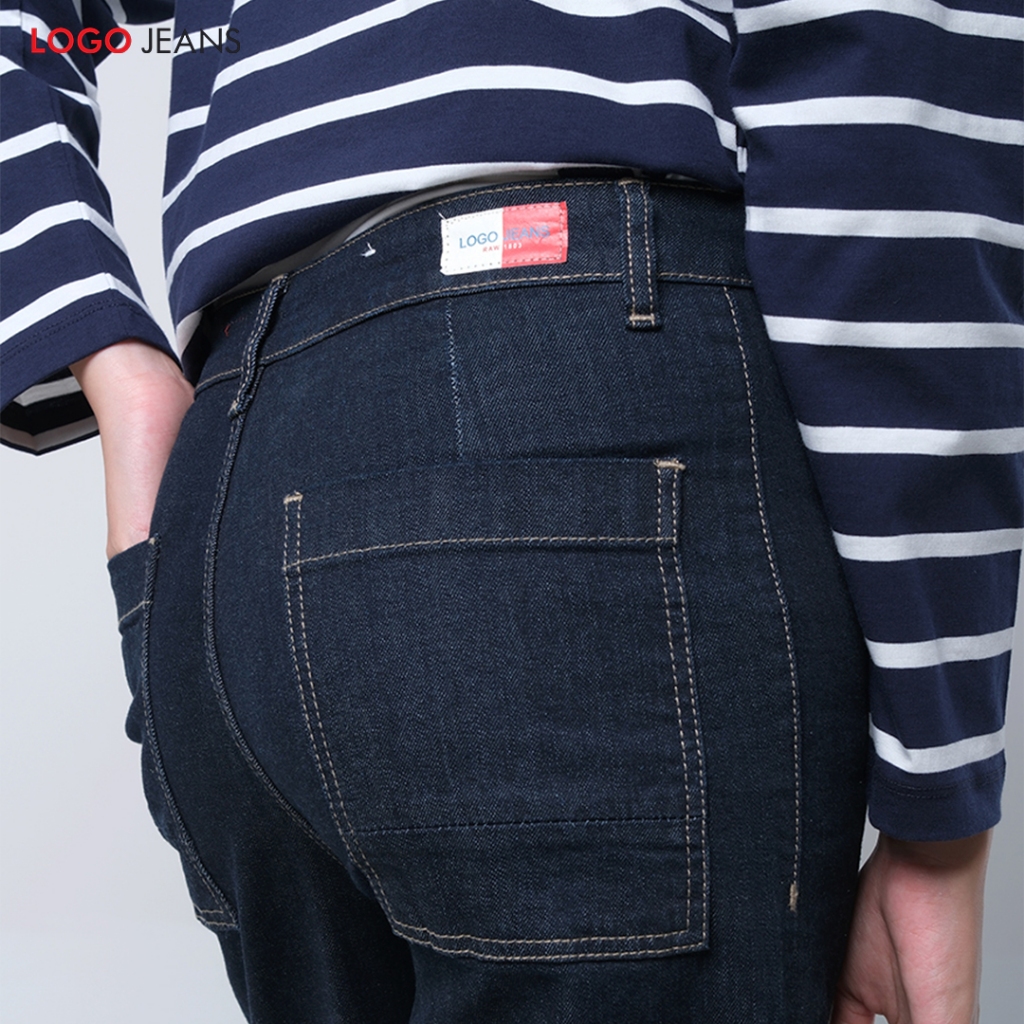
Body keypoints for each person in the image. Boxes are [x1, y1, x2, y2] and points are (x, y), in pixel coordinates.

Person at [2, 2, 1019, 1021]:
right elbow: (885, 83)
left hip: (233, 486)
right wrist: (939, 796)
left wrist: (121, 378)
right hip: (572, 394)